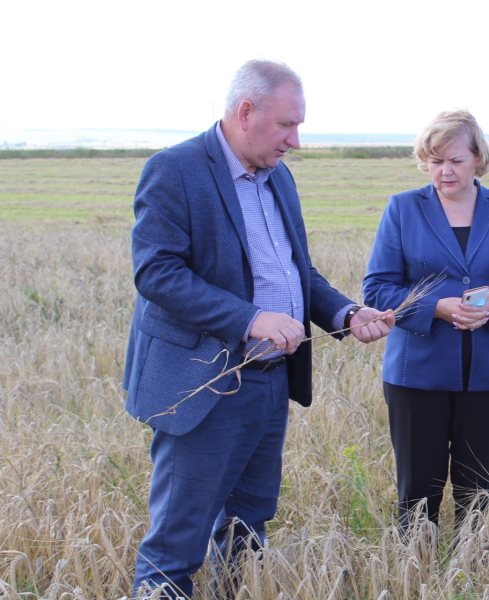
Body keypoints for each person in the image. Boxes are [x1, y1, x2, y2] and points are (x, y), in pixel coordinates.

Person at [122, 59, 394, 598]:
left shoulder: (278, 177)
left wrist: (345, 314)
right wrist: (250, 318)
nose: (295, 140)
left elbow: (295, 271)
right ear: (246, 112)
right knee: (177, 546)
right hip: (203, 385)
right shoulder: (175, 170)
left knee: (247, 530)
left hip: (269, 381)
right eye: (287, 125)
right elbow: (157, 272)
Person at [362, 110, 489, 534]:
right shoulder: (403, 208)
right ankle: (417, 575)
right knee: (416, 493)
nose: (445, 171)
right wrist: (437, 308)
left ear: (478, 159)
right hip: (416, 377)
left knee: (480, 492)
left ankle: (475, 576)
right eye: (435, 160)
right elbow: (377, 290)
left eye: (456, 161)